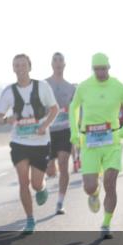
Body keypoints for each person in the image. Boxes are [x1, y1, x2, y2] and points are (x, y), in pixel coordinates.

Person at [68, 53, 123, 239]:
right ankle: (94, 192)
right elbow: (73, 108)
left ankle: (106, 224)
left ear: (109, 68)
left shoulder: (118, 86)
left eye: (103, 68)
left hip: (112, 143)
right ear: (93, 69)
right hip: (90, 143)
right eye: (96, 69)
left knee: (110, 182)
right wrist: (74, 132)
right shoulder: (84, 87)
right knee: (89, 187)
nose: (100, 72)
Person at [0, 54, 59, 235]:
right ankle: (30, 219)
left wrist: (45, 125)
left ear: (30, 67)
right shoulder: (8, 92)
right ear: (13, 68)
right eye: (17, 65)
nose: (20, 68)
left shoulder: (42, 87)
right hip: (19, 142)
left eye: (23, 65)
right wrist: (8, 119)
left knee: (36, 184)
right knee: (23, 182)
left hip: (40, 142)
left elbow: (55, 109)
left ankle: (42, 188)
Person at [44, 52, 76, 215]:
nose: (57, 63)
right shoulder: (44, 85)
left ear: (64, 65)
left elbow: (75, 112)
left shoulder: (70, 88)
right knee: (50, 170)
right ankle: (44, 179)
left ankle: (60, 202)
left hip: (65, 129)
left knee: (64, 163)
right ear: (51, 64)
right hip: (48, 131)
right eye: (55, 60)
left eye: (60, 60)